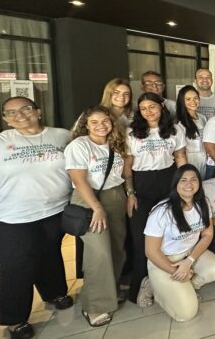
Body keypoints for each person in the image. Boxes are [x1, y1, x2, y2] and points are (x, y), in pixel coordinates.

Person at [0, 97, 73, 339]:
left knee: (49, 253)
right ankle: (15, 318)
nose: (20, 115)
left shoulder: (61, 135)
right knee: (16, 266)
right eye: (11, 113)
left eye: (26, 109)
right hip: (9, 217)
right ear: (6, 120)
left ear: (38, 111)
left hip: (54, 211)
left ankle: (54, 293)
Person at [65, 106, 127, 327]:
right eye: (94, 122)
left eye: (105, 121)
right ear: (86, 125)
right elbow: (79, 180)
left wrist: (128, 195)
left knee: (117, 248)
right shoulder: (79, 146)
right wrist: (96, 207)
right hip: (89, 200)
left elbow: (123, 173)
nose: (101, 125)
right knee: (98, 253)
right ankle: (95, 306)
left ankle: (111, 289)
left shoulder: (116, 143)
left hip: (116, 196)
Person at [125, 92, 187, 305]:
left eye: (152, 106)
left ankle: (168, 284)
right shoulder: (132, 133)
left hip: (168, 182)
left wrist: (185, 186)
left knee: (171, 233)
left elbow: (180, 158)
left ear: (161, 106)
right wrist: (130, 192)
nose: (148, 111)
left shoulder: (175, 130)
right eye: (143, 108)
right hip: (142, 185)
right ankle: (141, 284)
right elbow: (127, 166)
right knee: (141, 238)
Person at [141, 164, 215, 321]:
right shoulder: (162, 211)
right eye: (183, 180)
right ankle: (156, 289)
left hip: (189, 254)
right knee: (186, 314)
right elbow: (151, 251)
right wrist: (175, 271)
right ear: (175, 184)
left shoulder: (202, 203)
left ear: (199, 183)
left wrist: (189, 262)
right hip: (165, 261)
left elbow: (207, 234)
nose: (189, 184)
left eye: (193, 179)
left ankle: (187, 287)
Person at [175, 85, 207, 178]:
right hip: (190, 161)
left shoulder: (202, 117)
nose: (193, 102)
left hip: (204, 159)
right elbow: (179, 153)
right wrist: (184, 172)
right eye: (188, 99)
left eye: (195, 98)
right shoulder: (179, 123)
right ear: (182, 101)